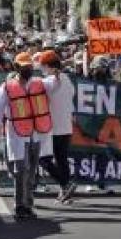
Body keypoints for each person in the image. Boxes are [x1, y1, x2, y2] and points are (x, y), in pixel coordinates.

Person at [0, 52, 53, 221]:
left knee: (31, 172)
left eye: (30, 67)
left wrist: (57, 69)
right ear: (17, 67)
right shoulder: (7, 87)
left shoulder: (40, 84)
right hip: (17, 135)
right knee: (20, 171)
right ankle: (20, 206)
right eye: (24, 67)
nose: (28, 70)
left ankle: (29, 204)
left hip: (35, 135)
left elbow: (58, 86)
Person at [39, 50, 76, 203]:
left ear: (48, 66)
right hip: (66, 126)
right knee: (62, 159)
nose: (41, 70)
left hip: (52, 128)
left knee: (43, 159)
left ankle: (65, 184)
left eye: (42, 67)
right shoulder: (67, 79)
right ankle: (65, 193)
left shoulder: (48, 82)